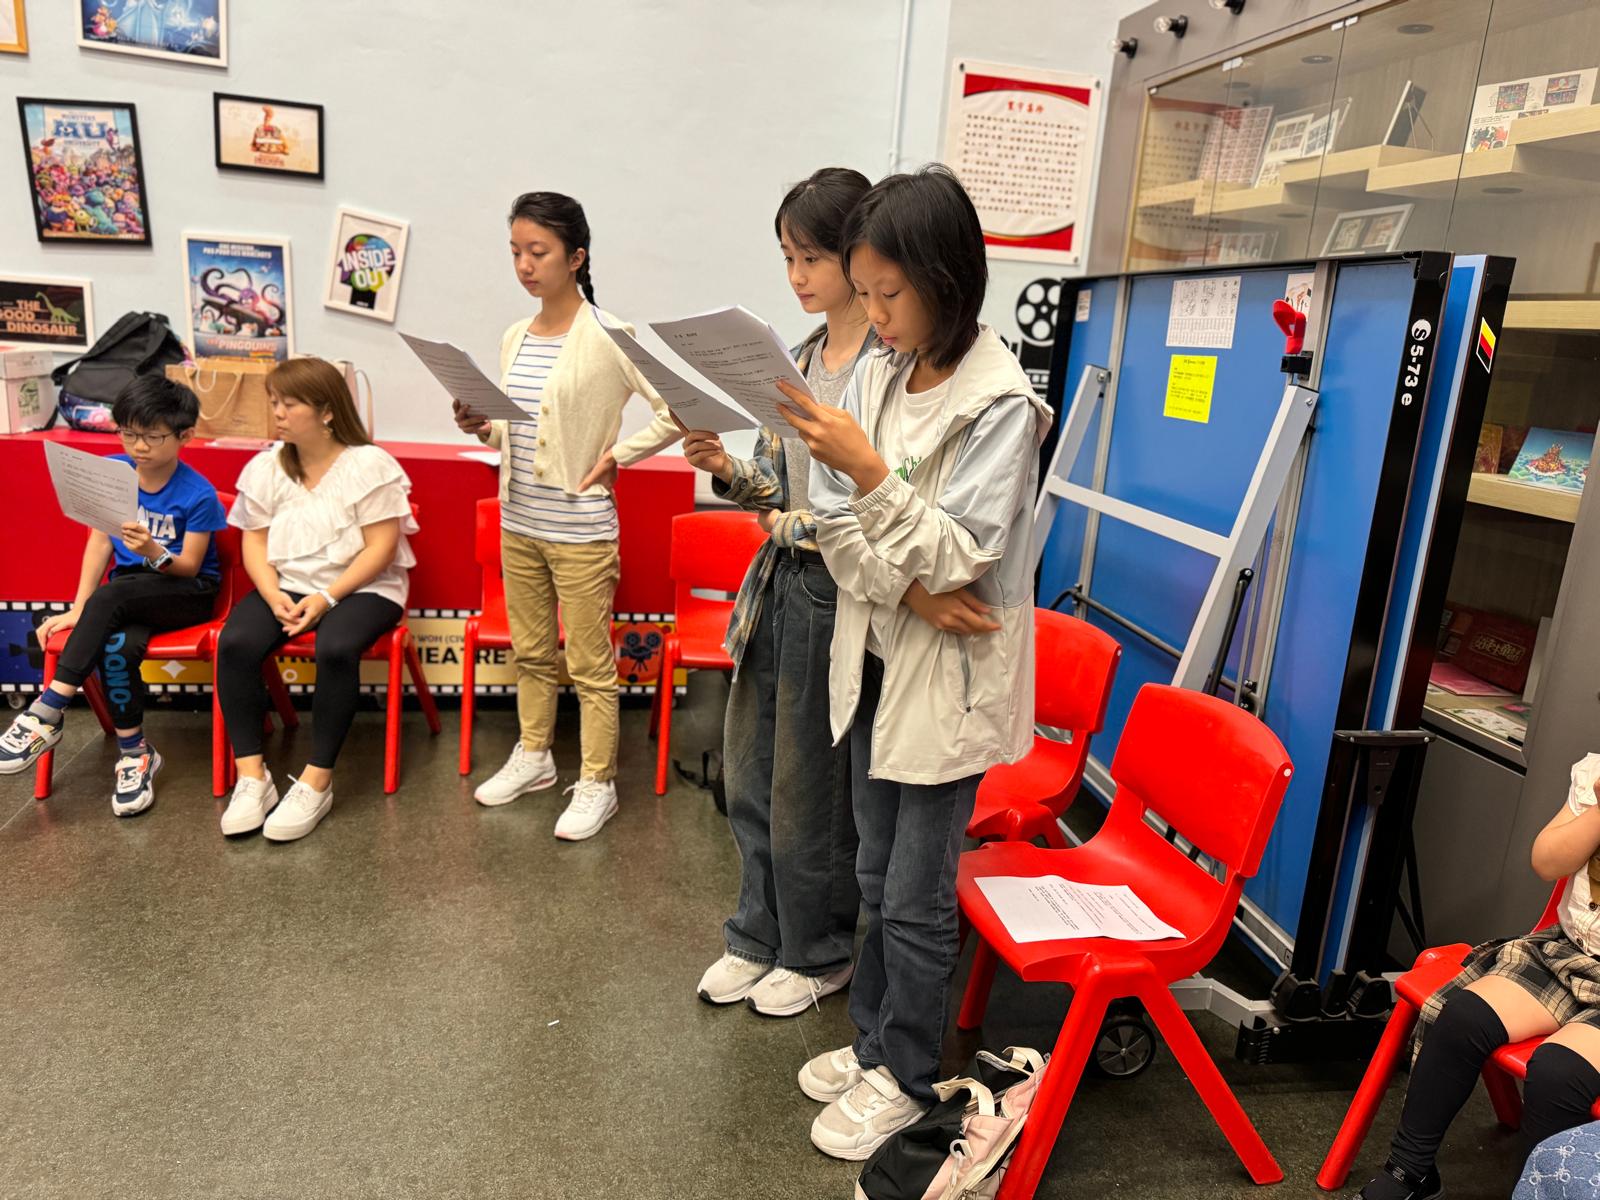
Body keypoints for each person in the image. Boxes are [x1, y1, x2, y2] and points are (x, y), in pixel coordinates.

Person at [778, 165, 1052, 1161]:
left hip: (947, 680)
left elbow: (959, 553)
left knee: (915, 892)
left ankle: (905, 1072)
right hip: (880, 650)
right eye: (866, 293)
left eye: (889, 294)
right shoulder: (884, 372)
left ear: (945, 277)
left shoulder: (1000, 402)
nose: (877, 316)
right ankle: (871, 1046)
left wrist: (867, 473)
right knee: (869, 868)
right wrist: (906, 589)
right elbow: (834, 527)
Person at [681, 168, 875, 1018]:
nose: (796, 275)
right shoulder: (795, 360)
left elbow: (871, 502)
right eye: (787, 257)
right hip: (779, 583)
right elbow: (774, 485)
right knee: (753, 775)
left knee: (812, 791)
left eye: (811, 258)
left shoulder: (885, 367)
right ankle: (756, 935)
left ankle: (817, 950)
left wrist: (792, 519)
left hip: (841, 591)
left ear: (858, 255)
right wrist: (726, 469)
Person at [453, 191, 677, 841]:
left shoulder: (609, 335)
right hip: (520, 522)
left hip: (581, 533)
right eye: (516, 252)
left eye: (539, 252)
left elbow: (676, 409)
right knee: (530, 653)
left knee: (588, 665)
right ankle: (535, 756)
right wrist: (482, 426)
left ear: (576, 257)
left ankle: (599, 781)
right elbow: (515, 430)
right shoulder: (515, 336)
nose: (525, 265)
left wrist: (619, 456)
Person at [1358, 753, 1600, 1200]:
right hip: (1568, 952)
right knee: (1464, 1016)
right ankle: (1410, 1172)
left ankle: (1532, 1192)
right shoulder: (1594, 773)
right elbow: (1547, 862)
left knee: (1558, 1072)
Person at [0, 376, 226, 816]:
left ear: (184, 436)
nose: (139, 446)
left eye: (153, 436)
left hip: (189, 591)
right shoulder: (112, 473)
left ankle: (48, 710)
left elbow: (191, 566)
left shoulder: (198, 494)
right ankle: (135, 752)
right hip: (129, 593)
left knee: (115, 595)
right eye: (128, 433)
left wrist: (154, 551)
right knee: (118, 648)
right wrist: (79, 608)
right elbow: (100, 542)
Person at [214, 357, 417, 843]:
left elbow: (381, 548)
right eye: (274, 402)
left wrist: (327, 597)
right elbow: (255, 542)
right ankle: (252, 778)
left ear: (327, 411)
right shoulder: (266, 467)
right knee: (236, 643)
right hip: (288, 584)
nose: (277, 413)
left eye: (290, 404)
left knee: (336, 647)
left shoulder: (369, 465)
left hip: (364, 587)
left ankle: (316, 781)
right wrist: (271, 594)